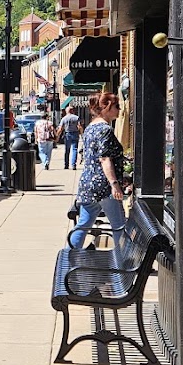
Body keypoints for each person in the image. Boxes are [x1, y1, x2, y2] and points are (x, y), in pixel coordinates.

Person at [68, 91, 127, 262]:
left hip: (87, 184)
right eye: (116, 106)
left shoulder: (90, 128)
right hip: (103, 186)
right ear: (107, 107)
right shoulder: (105, 130)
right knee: (118, 226)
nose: (119, 109)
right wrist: (114, 184)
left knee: (83, 224)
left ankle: (69, 255)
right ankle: (122, 262)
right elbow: (104, 158)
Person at [57, 106, 82, 170]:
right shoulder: (76, 118)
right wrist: (82, 134)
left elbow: (61, 128)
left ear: (66, 111)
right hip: (75, 134)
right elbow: (79, 126)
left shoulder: (64, 118)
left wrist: (57, 136)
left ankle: (66, 164)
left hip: (67, 134)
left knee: (67, 150)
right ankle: (73, 164)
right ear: (72, 111)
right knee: (75, 149)